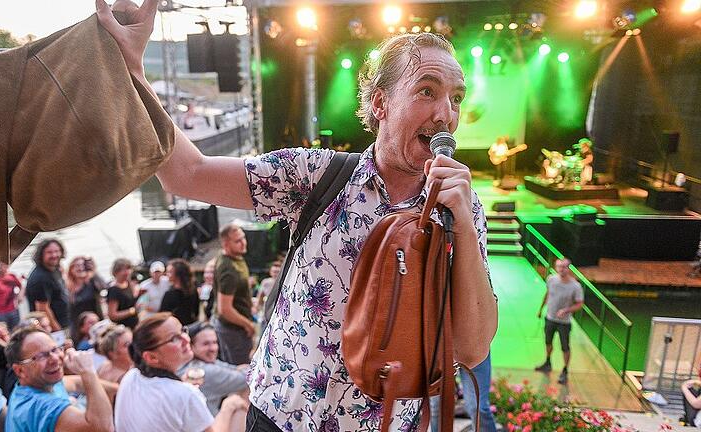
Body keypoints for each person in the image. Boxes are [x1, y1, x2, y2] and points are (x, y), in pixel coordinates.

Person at [96, 6, 497, 430]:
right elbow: (187, 174)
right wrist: (132, 69)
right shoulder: (317, 176)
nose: (445, 114)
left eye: (456, 98)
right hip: (281, 417)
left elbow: (472, 350)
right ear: (380, 103)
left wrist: (465, 226)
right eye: (426, 91)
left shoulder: (462, 211)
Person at [115, 313, 248, 432]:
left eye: (183, 331)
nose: (186, 339)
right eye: (174, 339)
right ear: (151, 358)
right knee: (236, 406)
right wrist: (227, 407)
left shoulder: (131, 376)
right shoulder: (185, 393)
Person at [4, 326, 115, 432]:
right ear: (20, 370)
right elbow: (103, 427)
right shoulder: (41, 406)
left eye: (55, 349)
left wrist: (121, 389)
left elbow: (76, 383)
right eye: (41, 356)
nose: (55, 359)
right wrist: (88, 371)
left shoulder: (37, 384)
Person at [535, 257, 584, 385]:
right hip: (550, 317)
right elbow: (547, 294)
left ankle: (565, 370)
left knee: (565, 346)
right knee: (548, 341)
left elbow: (579, 304)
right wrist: (541, 309)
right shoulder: (551, 280)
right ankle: (547, 362)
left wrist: (567, 310)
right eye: (559, 267)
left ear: (569, 268)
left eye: (564, 267)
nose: (562, 269)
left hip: (564, 322)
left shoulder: (575, 286)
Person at [212, 223, 255, 366]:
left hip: (231, 325)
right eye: (237, 241)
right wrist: (248, 324)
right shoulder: (229, 271)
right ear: (225, 244)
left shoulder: (233, 257)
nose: (243, 243)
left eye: (243, 238)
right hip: (233, 329)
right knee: (241, 369)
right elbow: (225, 310)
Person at [184, 323, 249, 416]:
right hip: (207, 427)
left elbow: (233, 369)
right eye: (206, 344)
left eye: (215, 342)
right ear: (191, 346)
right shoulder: (202, 371)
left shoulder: (202, 362)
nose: (213, 348)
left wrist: (240, 370)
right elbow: (248, 377)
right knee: (249, 388)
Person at [26, 239, 70, 331]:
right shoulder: (40, 278)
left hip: (66, 321)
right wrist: (58, 331)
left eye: (57, 251)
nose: (54, 255)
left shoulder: (54, 268)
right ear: (41, 255)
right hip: (55, 327)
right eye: (49, 252)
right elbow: (42, 309)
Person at [159, 258, 200, 326]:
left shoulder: (170, 294)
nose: (166, 274)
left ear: (178, 274)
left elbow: (162, 316)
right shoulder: (192, 291)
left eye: (170, 272)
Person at [65, 256, 102, 329]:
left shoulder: (92, 283)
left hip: (94, 322)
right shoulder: (67, 287)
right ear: (71, 269)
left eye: (83, 265)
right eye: (77, 266)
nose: (81, 268)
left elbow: (105, 287)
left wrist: (93, 271)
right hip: (77, 326)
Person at [106, 258, 139, 329]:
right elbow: (112, 315)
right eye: (123, 270)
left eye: (128, 269)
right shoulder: (114, 290)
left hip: (135, 324)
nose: (127, 272)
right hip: (123, 327)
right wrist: (131, 311)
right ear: (116, 272)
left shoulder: (129, 284)